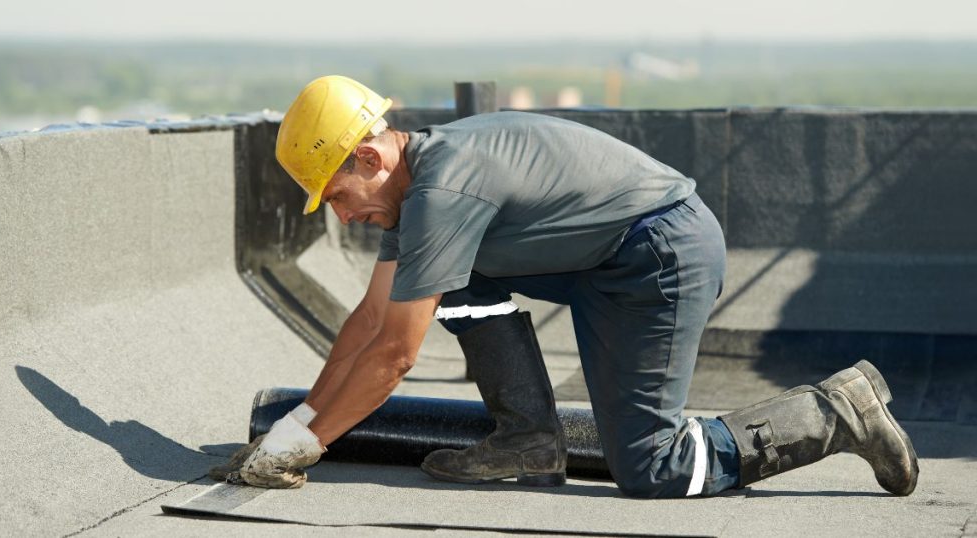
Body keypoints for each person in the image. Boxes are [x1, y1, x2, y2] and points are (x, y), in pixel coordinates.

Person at [213, 75, 918, 498]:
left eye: (339, 195)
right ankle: (528, 438)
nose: (344, 216)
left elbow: (395, 356)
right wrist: (297, 424)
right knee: (445, 280)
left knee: (653, 468)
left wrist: (305, 446)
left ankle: (833, 414)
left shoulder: (444, 188)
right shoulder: (415, 192)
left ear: (370, 154)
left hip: (660, 256)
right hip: (609, 259)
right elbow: (369, 323)